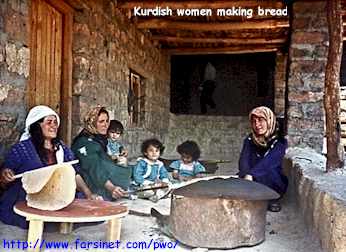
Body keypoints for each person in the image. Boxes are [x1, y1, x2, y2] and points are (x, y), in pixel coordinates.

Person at [0, 105, 98, 229]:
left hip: (56, 195)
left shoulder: (61, 148)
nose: (54, 126)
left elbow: (74, 173)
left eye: (55, 122)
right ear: (37, 125)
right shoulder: (22, 149)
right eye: (49, 122)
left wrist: (89, 194)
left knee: (89, 209)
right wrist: (6, 174)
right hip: (28, 198)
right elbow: (6, 173)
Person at [72, 106, 132, 201]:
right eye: (101, 121)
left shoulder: (99, 139)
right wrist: (111, 188)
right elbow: (94, 168)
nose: (106, 125)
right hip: (91, 184)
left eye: (107, 121)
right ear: (92, 122)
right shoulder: (84, 142)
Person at [238, 106, 288, 212]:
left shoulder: (279, 141)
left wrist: (252, 174)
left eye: (261, 120)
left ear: (269, 120)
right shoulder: (250, 140)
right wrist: (246, 174)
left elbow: (270, 161)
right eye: (254, 121)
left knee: (270, 172)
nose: (257, 125)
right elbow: (244, 160)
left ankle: (271, 199)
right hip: (250, 181)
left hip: (270, 182)